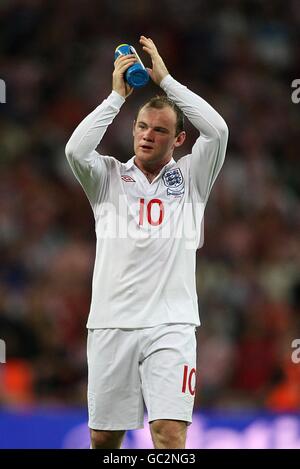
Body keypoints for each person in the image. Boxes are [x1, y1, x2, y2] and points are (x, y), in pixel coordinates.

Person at [65, 35, 228, 449]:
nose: (147, 136)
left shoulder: (193, 177)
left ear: (179, 141)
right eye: (141, 127)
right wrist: (116, 97)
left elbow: (219, 129)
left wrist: (167, 81)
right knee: (104, 439)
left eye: (159, 130)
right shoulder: (106, 177)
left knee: (169, 433)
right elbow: (74, 149)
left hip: (171, 324)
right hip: (110, 322)